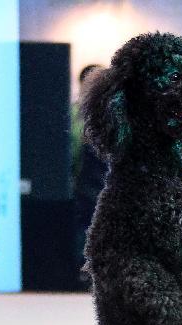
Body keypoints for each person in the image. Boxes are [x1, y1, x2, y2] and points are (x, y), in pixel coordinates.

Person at [72, 65, 108, 289]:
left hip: (112, 183)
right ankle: (84, 271)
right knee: (84, 228)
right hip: (84, 185)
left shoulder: (118, 113)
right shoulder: (74, 114)